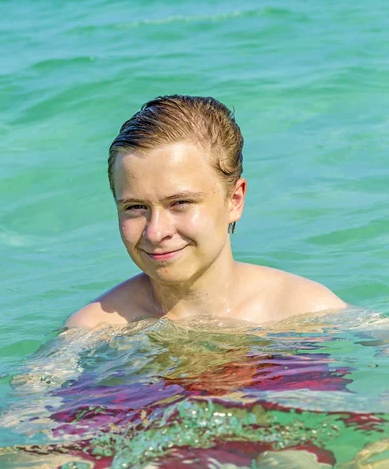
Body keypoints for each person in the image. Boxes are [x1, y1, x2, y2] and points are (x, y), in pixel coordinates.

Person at [66, 95, 346, 328]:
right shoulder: (96, 330)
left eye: (180, 203)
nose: (156, 231)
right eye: (135, 207)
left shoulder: (303, 309)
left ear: (234, 200)